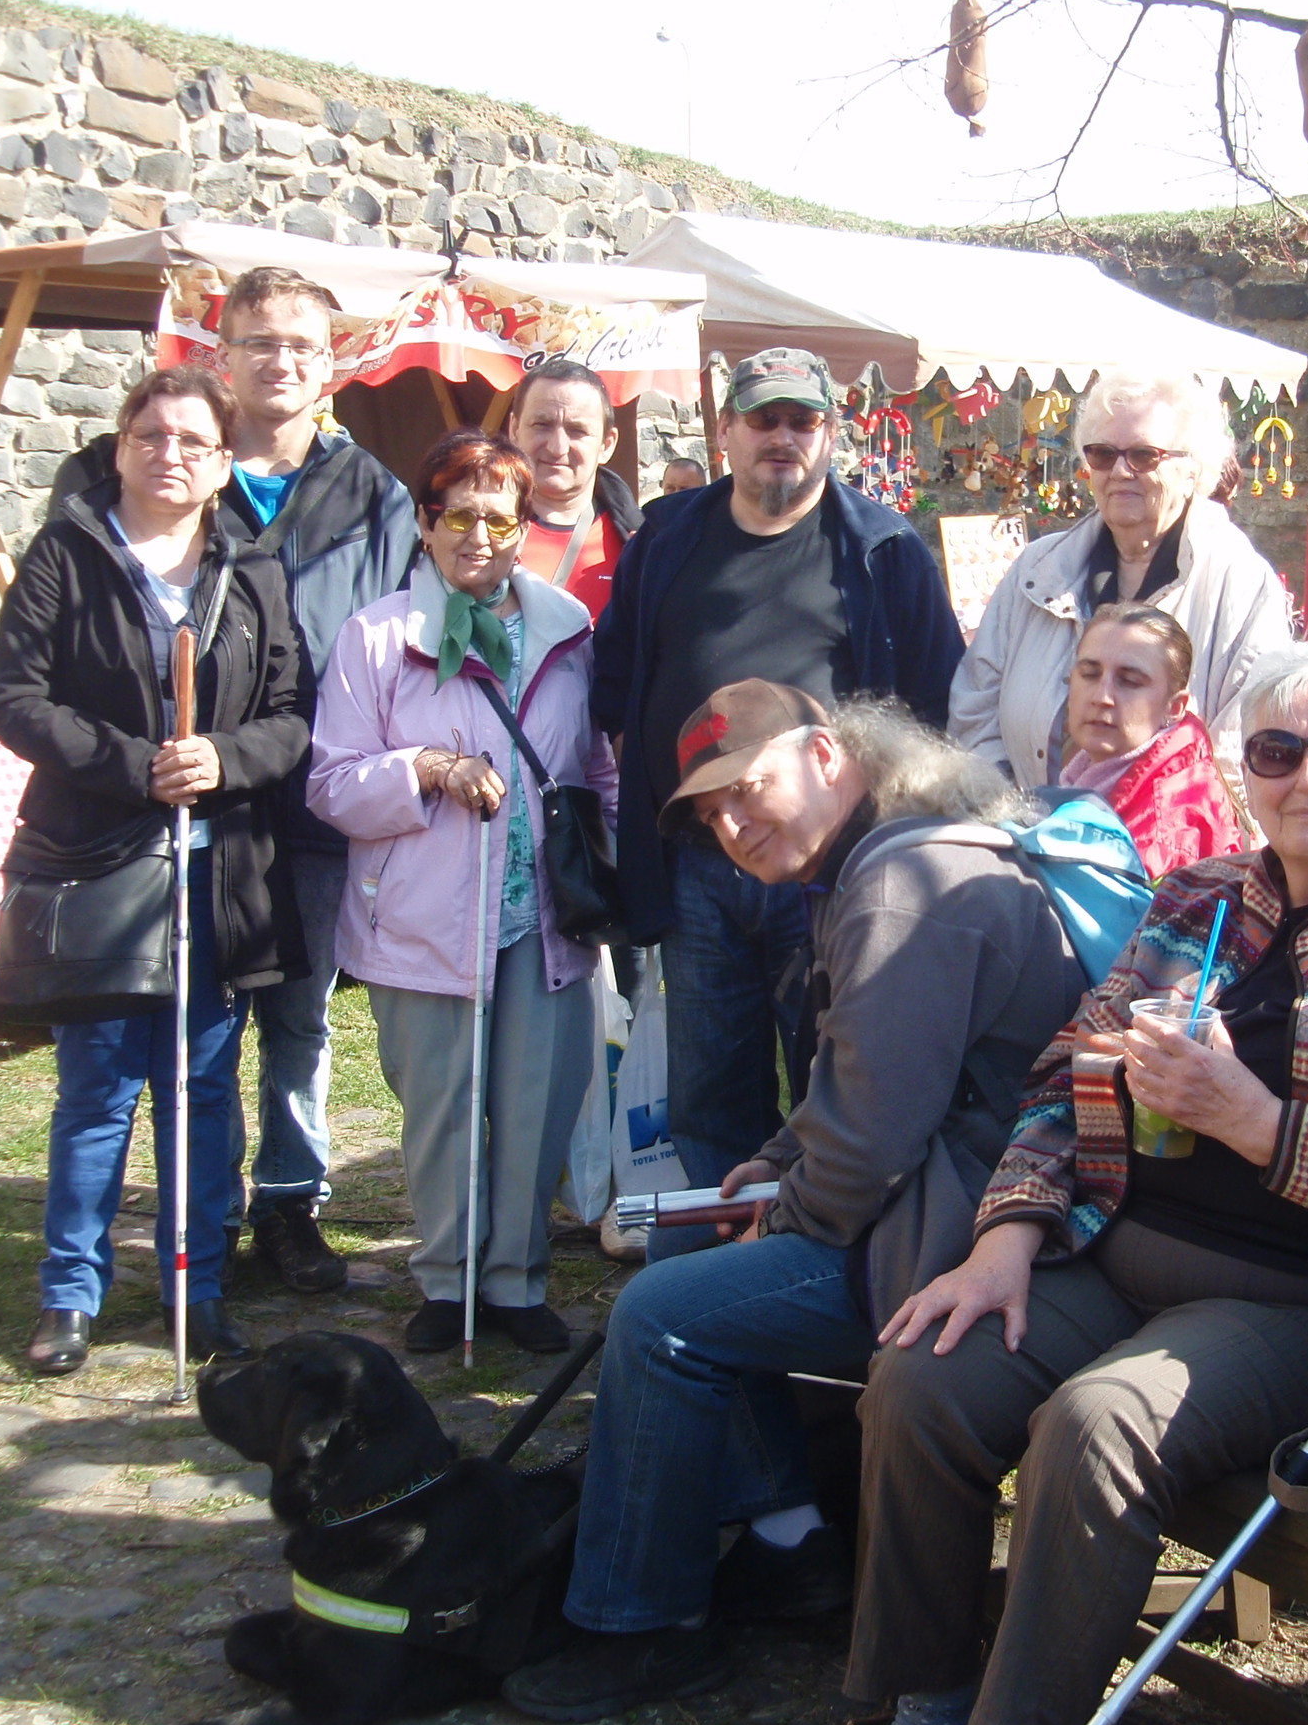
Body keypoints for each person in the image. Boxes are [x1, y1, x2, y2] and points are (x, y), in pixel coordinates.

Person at [827, 639, 1308, 1725]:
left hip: (1295, 1300)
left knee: (1097, 1426)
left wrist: (1257, 1122)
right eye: (1277, 752)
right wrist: (1005, 1240)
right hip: (1113, 1247)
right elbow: (1062, 1072)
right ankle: (930, 1708)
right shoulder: (1197, 900)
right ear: (1244, 771)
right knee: (922, 1376)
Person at [500, 681, 1090, 1723]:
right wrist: (775, 1159)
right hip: (955, 1202)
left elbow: (867, 1149)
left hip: (972, 1242)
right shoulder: (887, 852)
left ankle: (640, 1626)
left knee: (660, 1316)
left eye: (747, 788)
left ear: (825, 754)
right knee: (686, 1258)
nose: (732, 825)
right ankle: (793, 1545)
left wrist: (780, 1213)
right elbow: (859, 1073)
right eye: (710, 815)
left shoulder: (900, 882)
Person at [57, 266, 421, 1295]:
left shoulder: (372, 493)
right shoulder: (157, 465)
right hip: (179, 795)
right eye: (260, 341)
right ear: (221, 355)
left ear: (332, 364)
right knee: (192, 1020)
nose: (281, 362)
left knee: (299, 1018)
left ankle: (290, 1204)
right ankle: (202, 1211)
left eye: (303, 345)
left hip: (310, 792)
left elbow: (399, 635)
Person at [591, 347, 962, 1238]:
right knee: (708, 1082)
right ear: (726, 430)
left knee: (837, 1067)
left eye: (804, 421)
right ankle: (722, 1253)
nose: (783, 438)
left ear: (831, 435)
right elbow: (617, 684)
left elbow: (936, 704)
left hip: (832, 869)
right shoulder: (667, 538)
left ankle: (820, 1251)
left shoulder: (883, 549)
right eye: (764, 419)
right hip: (699, 856)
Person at [0, 365, 311, 1376]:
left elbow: (292, 714)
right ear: (121, 446)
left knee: (201, 1084)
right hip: (99, 862)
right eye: (151, 435)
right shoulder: (67, 552)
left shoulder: (252, 571)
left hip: (218, 872)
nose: (170, 455)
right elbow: (15, 696)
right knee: (97, 1086)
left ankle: (196, 1284)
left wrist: (224, 759)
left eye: (193, 442)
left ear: (222, 465)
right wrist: (135, 768)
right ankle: (69, 1293)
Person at [308, 431, 619, 1355]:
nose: (478, 536)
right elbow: (331, 785)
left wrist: (614, 865)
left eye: (499, 519)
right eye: (458, 516)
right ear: (424, 522)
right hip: (426, 915)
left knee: (537, 1103)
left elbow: (596, 769)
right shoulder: (377, 637)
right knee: (442, 1106)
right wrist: (426, 767)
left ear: (523, 529)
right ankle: (448, 1281)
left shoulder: (568, 630)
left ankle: (517, 1279)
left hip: (544, 917)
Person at [950, 371, 1291, 799]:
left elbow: (1243, 751)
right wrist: (1010, 817)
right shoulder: (1037, 569)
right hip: (1026, 830)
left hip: (1173, 837)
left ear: (1192, 471)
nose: (1120, 471)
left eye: (1144, 455)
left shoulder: (1241, 585)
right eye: (1103, 454)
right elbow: (975, 712)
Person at [1058, 602, 1239, 879]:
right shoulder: (1087, 772)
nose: (1101, 697)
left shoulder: (1167, 830)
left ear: (1174, 707)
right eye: (1090, 674)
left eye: (1130, 681)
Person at [506, 358, 645, 621]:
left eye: (577, 430)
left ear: (607, 445)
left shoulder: (643, 548)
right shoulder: (472, 533)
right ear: (514, 430)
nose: (557, 447)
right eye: (542, 425)